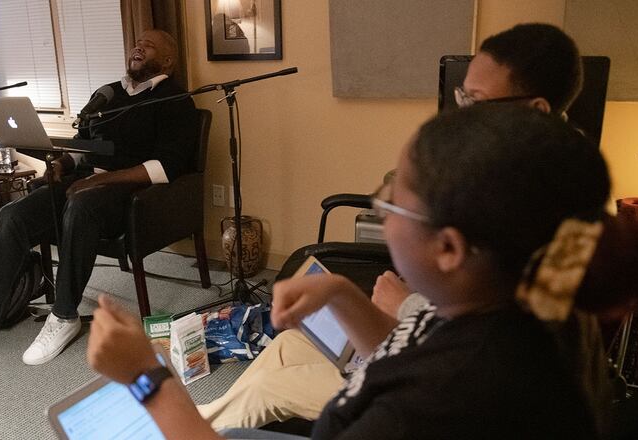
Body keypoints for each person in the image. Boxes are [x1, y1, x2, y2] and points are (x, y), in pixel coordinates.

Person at [87, 105, 638, 439]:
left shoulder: (438, 406)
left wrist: (147, 378)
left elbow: (424, 385)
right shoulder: (531, 303)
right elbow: (408, 354)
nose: (379, 207)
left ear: (449, 248)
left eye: (393, 199)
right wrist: (339, 293)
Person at [197, 22, 587, 430]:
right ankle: (200, 420)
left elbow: (470, 354)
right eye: (463, 97)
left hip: (421, 379)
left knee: (271, 386)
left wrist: (404, 306)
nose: (462, 115)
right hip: (406, 345)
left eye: (478, 101)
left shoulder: (547, 221)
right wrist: (342, 292)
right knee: (290, 344)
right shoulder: (507, 177)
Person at [0, 29, 201, 373]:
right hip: (85, 183)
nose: (138, 48)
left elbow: (167, 167)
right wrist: (62, 163)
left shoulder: (175, 100)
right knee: (13, 214)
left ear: (167, 61)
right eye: (137, 43)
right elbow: (83, 145)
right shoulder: (107, 94)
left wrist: (100, 180)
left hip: (132, 195)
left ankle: (64, 316)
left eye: (148, 46)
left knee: (81, 206)